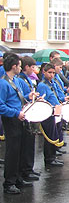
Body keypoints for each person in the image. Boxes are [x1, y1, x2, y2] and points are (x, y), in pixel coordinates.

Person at [0, 53, 36, 194]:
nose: (20, 68)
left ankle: (18, 177)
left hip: (19, 117)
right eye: (19, 66)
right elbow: (1, 105)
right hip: (12, 119)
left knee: (20, 150)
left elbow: (17, 99)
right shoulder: (3, 83)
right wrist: (16, 113)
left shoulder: (14, 80)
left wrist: (28, 97)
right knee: (13, 152)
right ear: (14, 66)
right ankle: (9, 183)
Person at [36, 63, 65, 167]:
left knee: (54, 135)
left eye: (53, 73)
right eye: (49, 72)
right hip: (48, 113)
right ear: (44, 72)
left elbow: (57, 95)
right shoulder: (42, 85)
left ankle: (53, 156)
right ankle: (49, 158)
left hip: (55, 111)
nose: (52, 75)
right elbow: (43, 100)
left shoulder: (52, 83)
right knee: (49, 137)